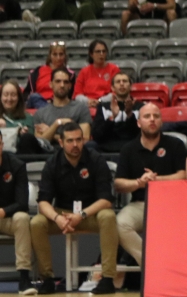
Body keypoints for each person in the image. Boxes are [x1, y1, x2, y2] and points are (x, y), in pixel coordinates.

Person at [30, 122, 119, 294]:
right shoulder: (52, 163)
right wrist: (58, 218)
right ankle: (47, 278)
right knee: (36, 223)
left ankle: (107, 278)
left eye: (79, 140)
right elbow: (43, 202)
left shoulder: (95, 159)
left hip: (90, 213)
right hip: (62, 214)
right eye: (70, 141)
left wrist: (82, 214)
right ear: (61, 143)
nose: (75, 145)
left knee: (108, 216)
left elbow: (106, 199)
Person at [113, 103, 187, 269]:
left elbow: (184, 176)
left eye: (156, 116)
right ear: (139, 122)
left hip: (172, 205)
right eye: (147, 116)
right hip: (141, 204)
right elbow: (118, 183)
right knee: (120, 223)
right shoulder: (128, 149)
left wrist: (157, 181)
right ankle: (152, 263)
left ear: (161, 121)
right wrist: (139, 182)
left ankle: (165, 267)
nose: (152, 119)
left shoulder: (175, 145)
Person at [0, 130, 35, 295]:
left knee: (22, 218)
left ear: (1, 145)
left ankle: (24, 278)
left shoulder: (16, 165)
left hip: (7, 218)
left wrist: (2, 211)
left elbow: (22, 203)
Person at [29, 69, 91, 154]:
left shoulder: (81, 108)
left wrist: (50, 132)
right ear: (51, 84)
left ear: (70, 85)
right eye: (58, 81)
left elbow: (85, 139)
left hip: (74, 152)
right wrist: (57, 123)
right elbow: (40, 141)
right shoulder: (40, 113)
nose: (62, 85)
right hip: (48, 153)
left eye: (65, 82)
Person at [90, 74, 141, 154]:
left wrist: (130, 115)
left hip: (133, 151)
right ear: (112, 87)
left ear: (130, 86)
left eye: (124, 81)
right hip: (106, 150)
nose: (121, 84)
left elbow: (142, 134)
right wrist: (112, 117)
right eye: (118, 82)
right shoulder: (103, 107)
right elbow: (96, 135)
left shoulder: (140, 107)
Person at [23, 44, 73, 111]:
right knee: (34, 97)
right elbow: (26, 93)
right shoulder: (38, 71)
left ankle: (49, 112)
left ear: (65, 56)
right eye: (55, 54)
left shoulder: (69, 74)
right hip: (37, 102)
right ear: (50, 56)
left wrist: (52, 101)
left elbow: (69, 95)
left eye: (61, 54)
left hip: (57, 103)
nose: (58, 58)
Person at [72, 41, 120, 107]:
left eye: (104, 51)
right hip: (87, 105)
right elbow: (77, 94)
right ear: (91, 54)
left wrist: (100, 101)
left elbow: (117, 91)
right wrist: (88, 101)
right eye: (98, 51)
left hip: (108, 104)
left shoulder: (114, 69)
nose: (101, 54)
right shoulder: (84, 71)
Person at [0, 80, 35, 151]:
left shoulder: (28, 118)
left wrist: (20, 133)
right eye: (6, 95)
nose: (9, 99)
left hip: (20, 156)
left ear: (18, 98)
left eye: (13, 95)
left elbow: (29, 141)